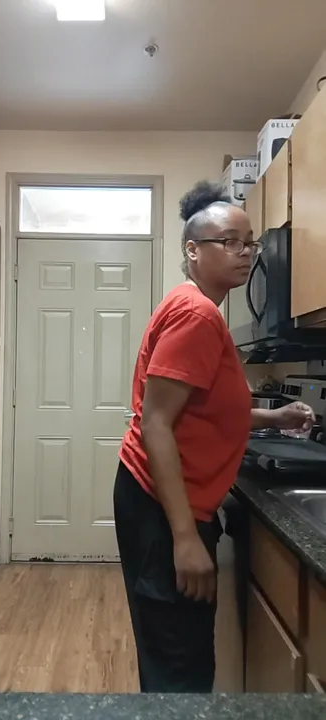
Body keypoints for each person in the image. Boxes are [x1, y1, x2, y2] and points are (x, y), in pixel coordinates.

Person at [113, 180, 314, 694]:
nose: (245, 252)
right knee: (179, 664)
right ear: (193, 250)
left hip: (159, 497)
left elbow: (204, 412)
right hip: (163, 505)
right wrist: (184, 539)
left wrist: (274, 418)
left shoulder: (197, 306)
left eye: (249, 242)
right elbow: (157, 422)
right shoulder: (197, 314)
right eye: (229, 241)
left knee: (174, 650)